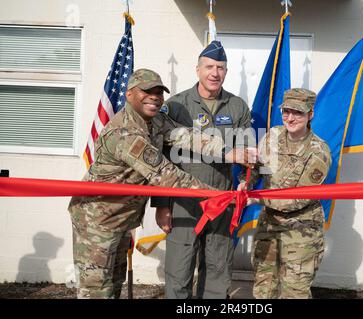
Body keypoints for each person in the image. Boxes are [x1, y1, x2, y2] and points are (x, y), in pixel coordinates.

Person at [68, 68, 255, 299]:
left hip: (123, 217)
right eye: (147, 92)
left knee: (115, 283)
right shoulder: (125, 133)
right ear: (129, 94)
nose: (154, 97)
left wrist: (228, 152)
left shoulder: (155, 120)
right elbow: (168, 176)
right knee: (97, 291)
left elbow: (186, 136)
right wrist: (219, 195)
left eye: (159, 92)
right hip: (97, 221)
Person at [152, 41, 255, 299]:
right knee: (179, 270)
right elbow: (161, 158)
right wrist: (162, 205)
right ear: (197, 70)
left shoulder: (237, 106)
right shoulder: (176, 105)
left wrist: (245, 181)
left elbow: (247, 151)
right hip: (183, 203)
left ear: (226, 72)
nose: (215, 72)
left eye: (220, 67)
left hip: (221, 200)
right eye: (209, 66)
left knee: (218, 269)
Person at [238, 88, 331, 299]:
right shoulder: (273, 135)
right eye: (286, 111)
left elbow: (299, 198)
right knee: (263, 289)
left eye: (298, 112)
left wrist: (256, 198)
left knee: (294, 293)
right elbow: (258, 167)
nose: (290, 117)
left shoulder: (319, 152)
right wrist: (246, 182)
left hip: (301, 232)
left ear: (310, 114)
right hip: (269, 227)